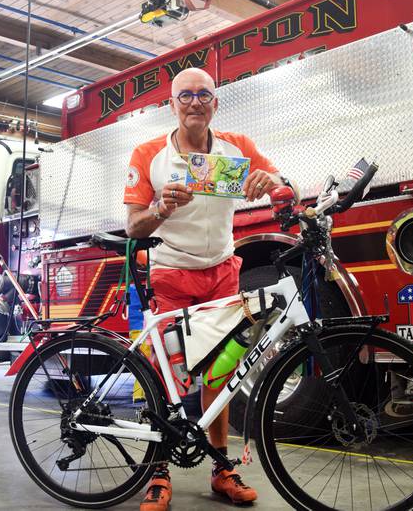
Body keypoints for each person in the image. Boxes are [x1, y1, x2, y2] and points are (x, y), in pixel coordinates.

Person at [123, 67, 296, 511]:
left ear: (215, 103)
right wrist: (161, 206)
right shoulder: (148, 155)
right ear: (173, 103)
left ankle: (221, 468)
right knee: (169, 378)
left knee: (221, 376)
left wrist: (272, 183)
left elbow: (287, 187)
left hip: (221, 272)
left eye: (204, 95)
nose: (195, 102)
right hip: (170, 274)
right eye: (186, 96)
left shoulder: (237, 149)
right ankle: (159, 470)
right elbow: (133, 224)